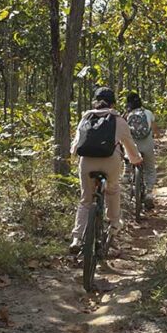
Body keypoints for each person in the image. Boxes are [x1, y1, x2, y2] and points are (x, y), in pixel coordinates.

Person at [69, 87, 142, 255]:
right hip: (111, 162)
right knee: (112, 190)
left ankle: (77, 238)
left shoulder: (85, 117)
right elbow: (129, 145)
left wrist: (73, 157)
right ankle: (114, 224)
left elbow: (77, 142)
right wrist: (136, 160)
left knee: (86, 200)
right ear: (113, 103)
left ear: (95, 101)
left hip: (87, 162)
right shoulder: (118, 120)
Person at [124, 91, 157, 208]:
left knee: (128, 159)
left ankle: (127, 177)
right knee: (150, 168)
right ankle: (149, 193)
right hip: (147, 144)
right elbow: (154, 129)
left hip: (133, 146)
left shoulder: (128, 115)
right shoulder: (148, 113)